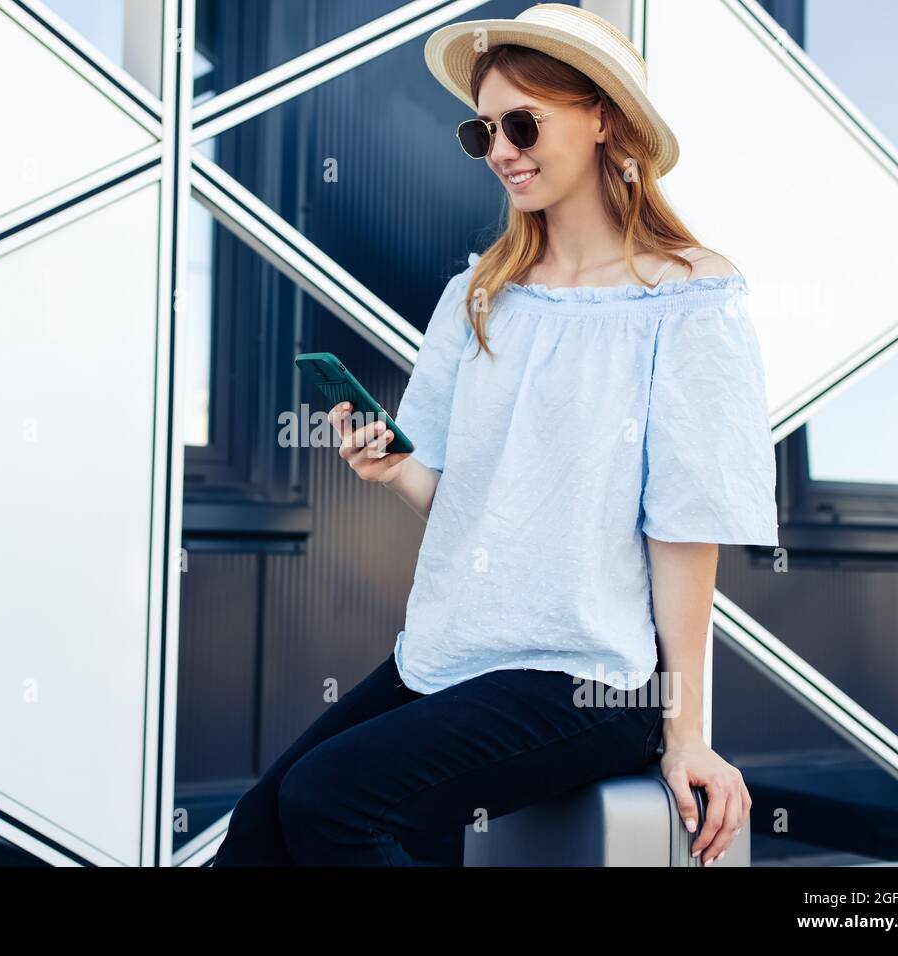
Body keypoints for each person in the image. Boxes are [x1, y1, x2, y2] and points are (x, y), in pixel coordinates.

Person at [212, 2, 776, 867]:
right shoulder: (478, 293)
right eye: (483, 135)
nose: (503, 151)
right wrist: (394, 466)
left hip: (590, 675)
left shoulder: (688, 298)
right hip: (451, 650)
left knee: (332, 802)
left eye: (522, 123)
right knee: (259, 827)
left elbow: (685, 526)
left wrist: (686, 731)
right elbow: (460, 495)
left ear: (601, 118)